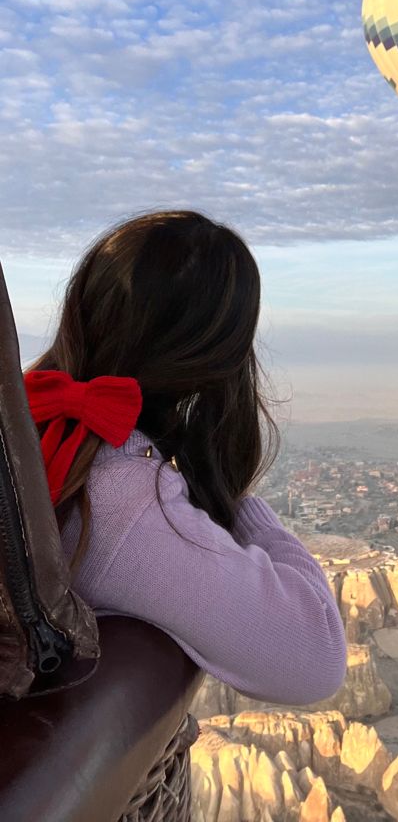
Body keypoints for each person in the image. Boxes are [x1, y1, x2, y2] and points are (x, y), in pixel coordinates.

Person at [23, 209, 347, 706]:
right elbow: (316, 656)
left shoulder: (25, 422)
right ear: (218, 364)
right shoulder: (119, 500)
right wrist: (242, 509)